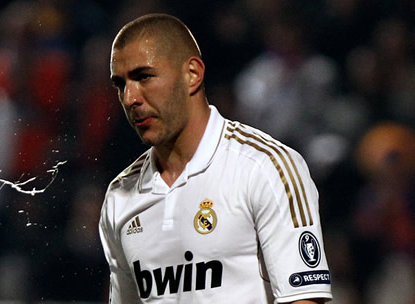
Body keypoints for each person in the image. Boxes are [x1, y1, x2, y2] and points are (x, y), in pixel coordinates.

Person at [99, 13, 333, 303]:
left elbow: (304, 298)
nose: (129, 97)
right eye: (120, 84)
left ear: (192, 74)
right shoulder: (119, 198)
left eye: (143, 76)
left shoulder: (267, 167)